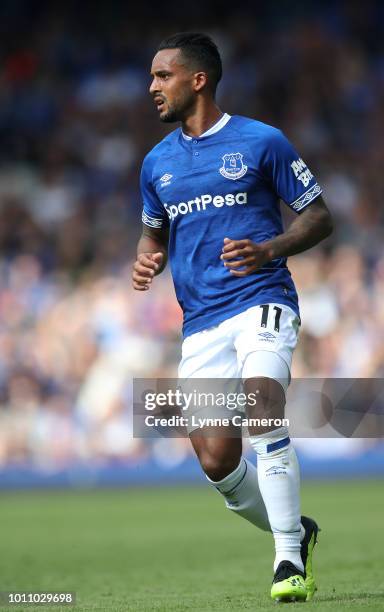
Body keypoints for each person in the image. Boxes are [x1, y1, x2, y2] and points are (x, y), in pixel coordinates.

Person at [132, 32, 332, 603]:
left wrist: (269, 250)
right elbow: (153, 232)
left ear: (197, 79)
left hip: (262, 300)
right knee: (217, 460)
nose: (152, 87)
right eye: (152, 77)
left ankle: (288, 562)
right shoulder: (156, 164)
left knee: (263, 403)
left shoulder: (262, 142)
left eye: (161, 76)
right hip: (202, 322)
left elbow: (319, 218)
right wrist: (146, 261)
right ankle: (298, 531)